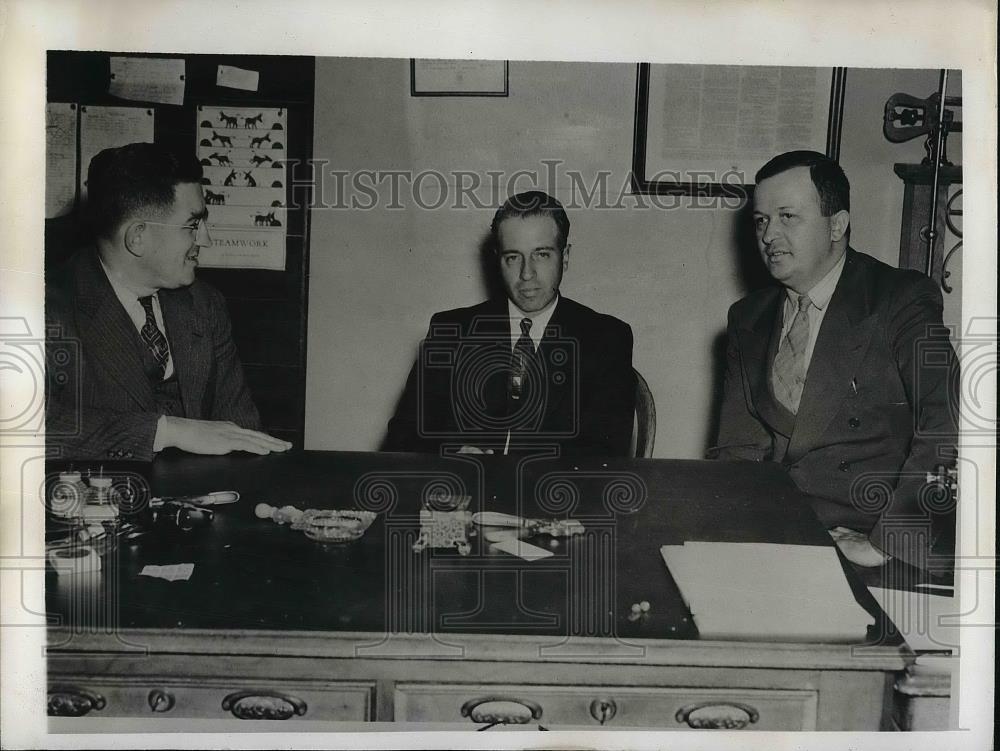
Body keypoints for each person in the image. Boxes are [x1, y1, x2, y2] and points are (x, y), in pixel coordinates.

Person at [713, 150, 958, 570]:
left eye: (787, 216)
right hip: (777, 534)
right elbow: (738, 450)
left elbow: (952, 418)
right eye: (761, 220)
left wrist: (887, 544)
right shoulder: (746, 317)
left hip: (872, 538)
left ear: (837, 225)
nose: (769, 234)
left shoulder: (900, 299)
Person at [46, 142, 291, 461]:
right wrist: (166, 431)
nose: (205, 239)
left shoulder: (205, 304)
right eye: (192, 225)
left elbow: (241, 432)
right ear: (138, 237)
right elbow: (26, 428)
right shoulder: (45, 306)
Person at [385, 191, 635, 456]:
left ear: (565, 257)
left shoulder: (607, 338)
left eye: (542, 254)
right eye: (513, 257)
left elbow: (607, 453)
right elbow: (403, 437)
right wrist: (450, 457)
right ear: (497, 260)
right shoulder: (451, 331)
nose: (527, 274)